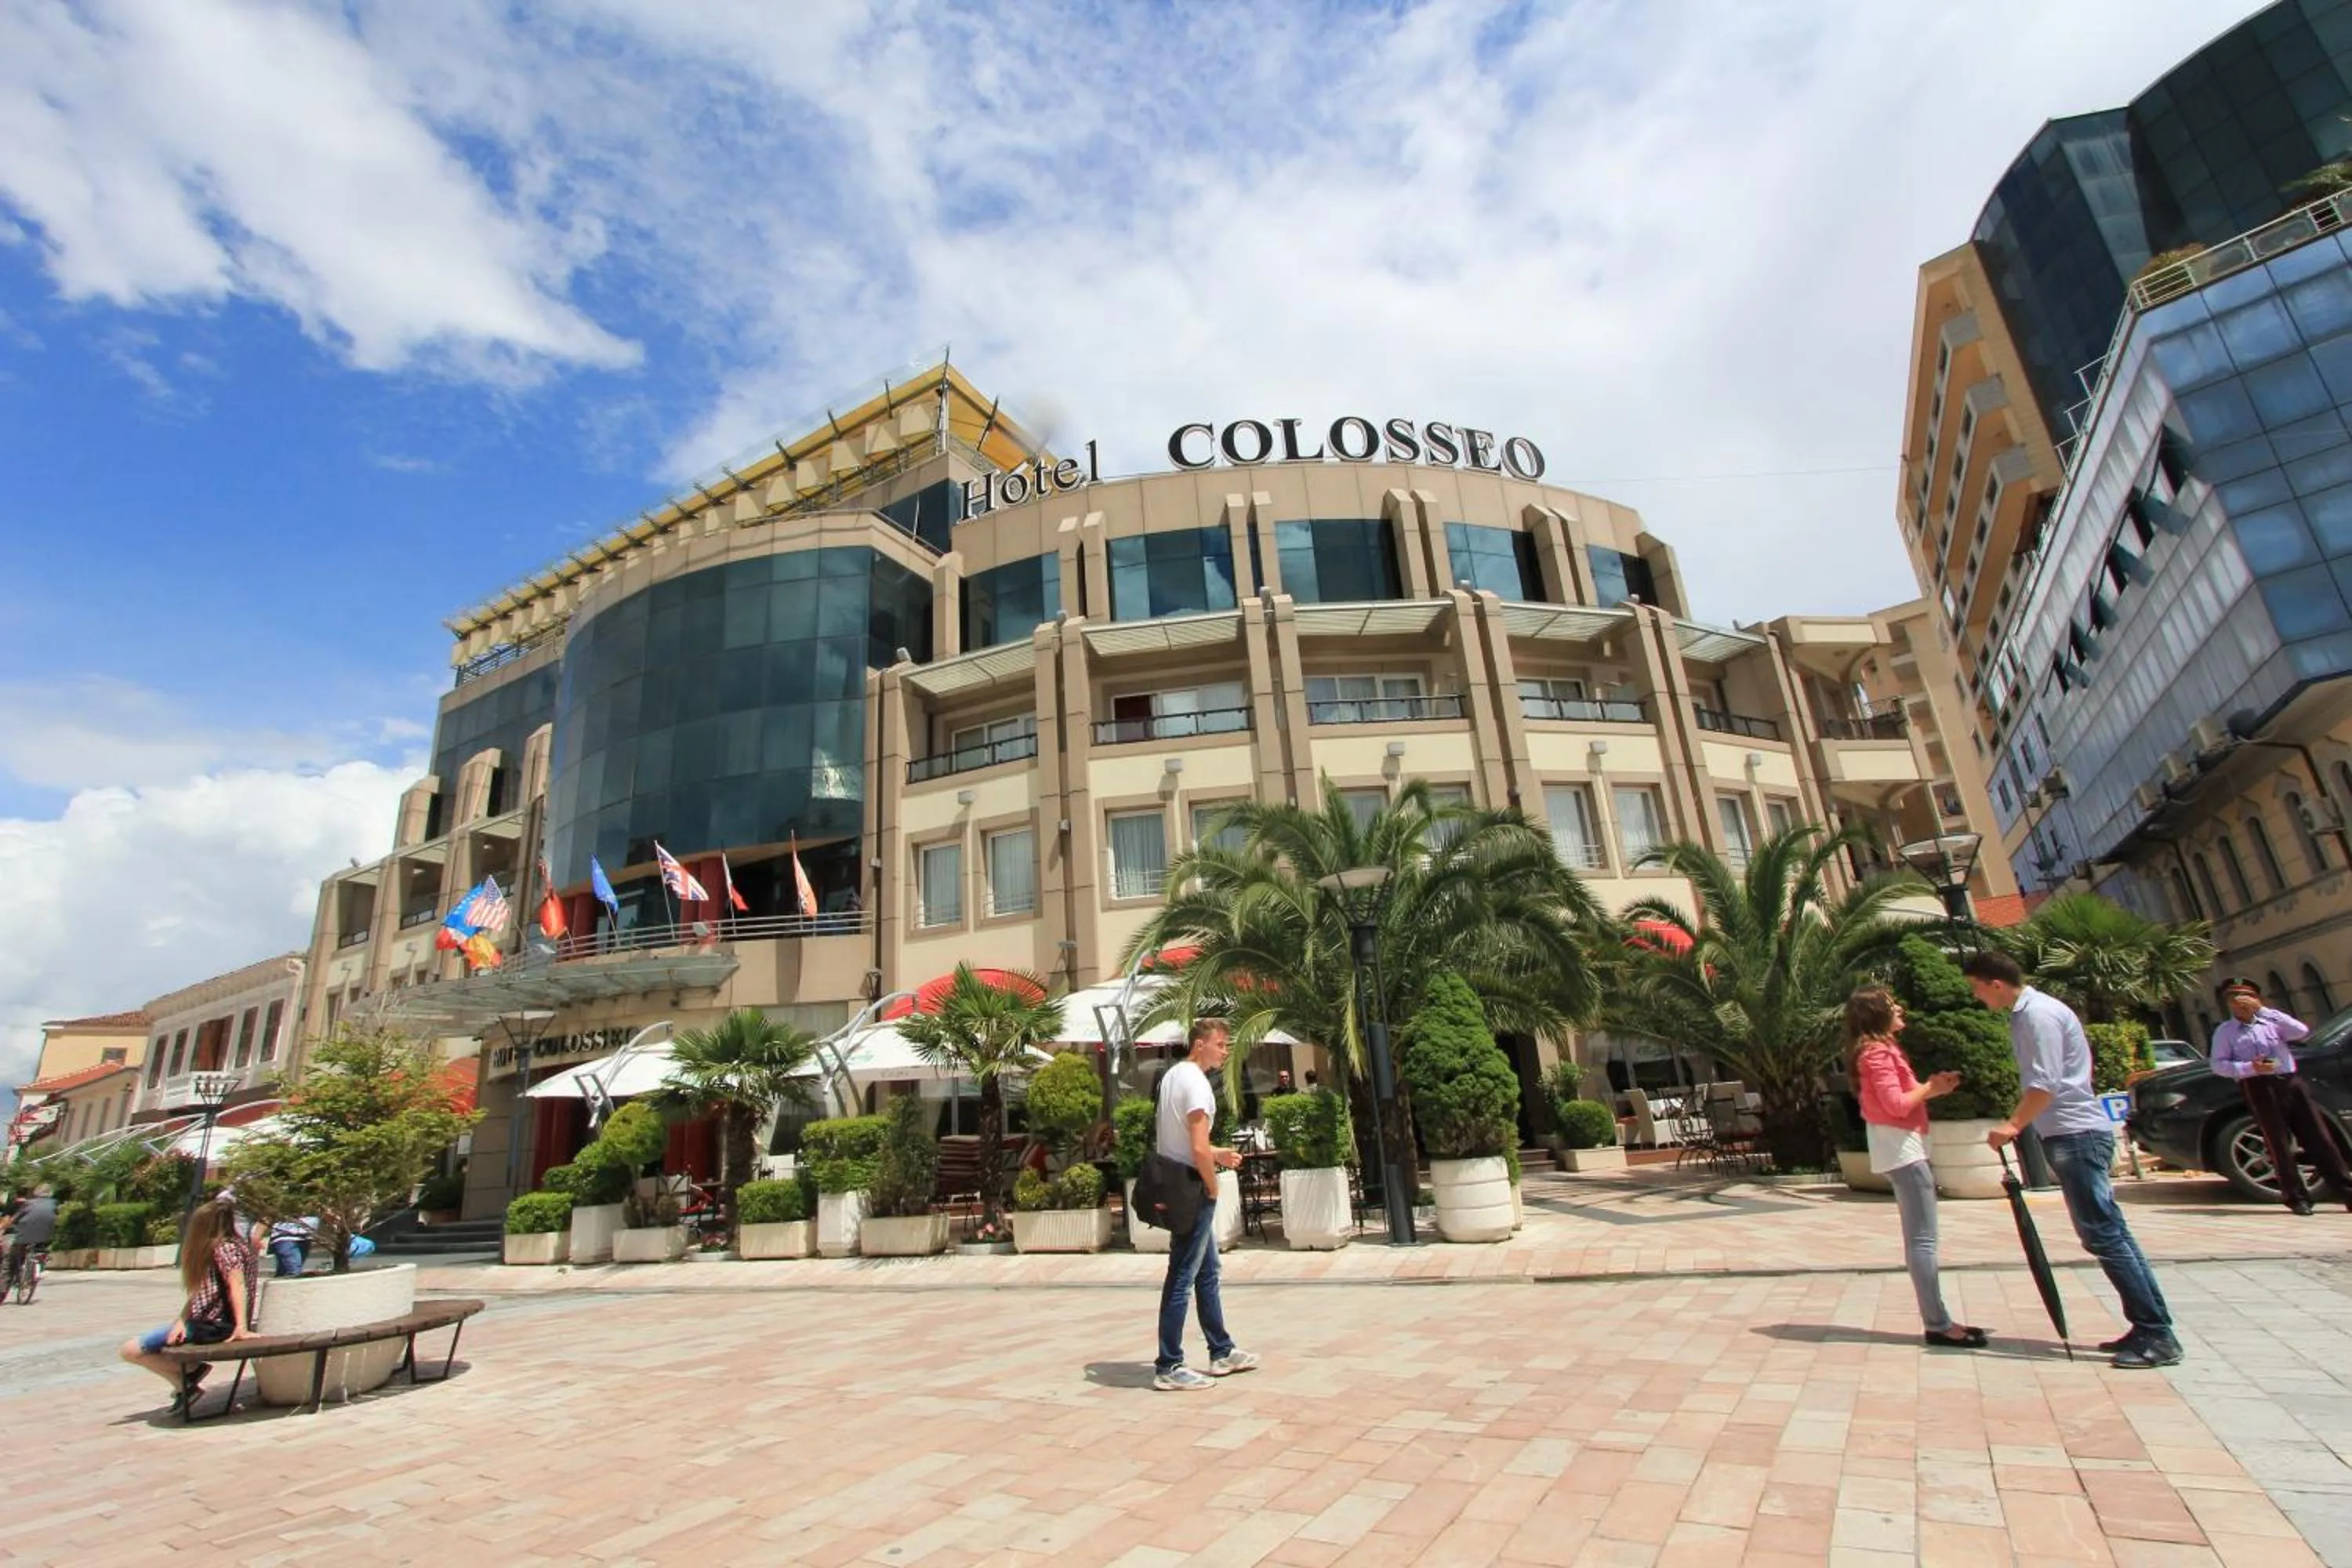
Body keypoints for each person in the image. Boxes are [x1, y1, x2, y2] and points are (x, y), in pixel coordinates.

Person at [1963, 950, 2182, 1369]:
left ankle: (2157, 1334)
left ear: (1995, 983)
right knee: (2110, 1233)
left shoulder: (2036, 1016)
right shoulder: (2032, 1012)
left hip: (2075, 1134)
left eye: (1976, 988)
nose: (1976, 997)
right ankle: (2148, 1325)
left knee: (2103, 1234)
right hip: (2073, 1132)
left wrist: (2011, 1125)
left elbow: (2045, 1083)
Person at [1846, 987, 1984, 1348]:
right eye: (1892, 1006)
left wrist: (1934, 1089)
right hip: (1902, 1149)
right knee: (1923, 1240)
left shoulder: (1881, 1051)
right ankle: (1938, 1324)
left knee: (1921, 1238)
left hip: (1905, 1146)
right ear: (1877, 1015)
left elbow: (1901, 1099)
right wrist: (1929, 1089)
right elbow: (1896, 1104)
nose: (1900, 1008)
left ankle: (1939, 1319)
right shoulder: (1876, 1054)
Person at [1152, 1018, 1258, 1391]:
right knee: (1183, 1275)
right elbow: (1196, 1147)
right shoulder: (1197, 1083)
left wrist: (1219, 1154)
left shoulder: (1172, 1077)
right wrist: (1213, 1187)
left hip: (1176, 1181)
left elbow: (1180, 1141)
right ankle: (1169, 1364)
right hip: (1192, 1189)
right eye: (1220, 1044)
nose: (1225, 1051)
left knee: (1207, 1271)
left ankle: (1220, 1350)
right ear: (1199, 1045)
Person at [2209, 977, 2352, 1216]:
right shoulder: (2226, 1032)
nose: (2240, 1001)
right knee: (2278, 1143)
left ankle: (2346, 1191)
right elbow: (2218, 1064)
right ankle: (2296, 1198)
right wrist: (2249, 1068)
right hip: (2258, 1086)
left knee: (2319, 1138)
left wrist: (2263, 1011)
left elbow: (2301, 1032)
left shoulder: (2271, 1022)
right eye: (2234, 997)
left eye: (2247, 996)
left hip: (2289, 1082)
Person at [119, 1196, 259, 1414]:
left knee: (131, 1350)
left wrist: (241, 1327)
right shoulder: (234, 1246)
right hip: (205, 1322)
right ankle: (187, 1381)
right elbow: (201, 1293)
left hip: (215, 1325)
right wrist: (181, 1321)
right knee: (138, 1349)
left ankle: (187, 1382)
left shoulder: (225, 1249)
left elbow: (237, 1286)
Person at [2, 1184, 58, 1294]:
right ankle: (38, 1266)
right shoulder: (53, 1204)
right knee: (41, 1251)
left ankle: (10, 1283)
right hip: (45, 1237)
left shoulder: (28, 1204)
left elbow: (13, 1219)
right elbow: (54, 1219)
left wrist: (6, 1227)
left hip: (22, 1236)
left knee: (12, 1261)